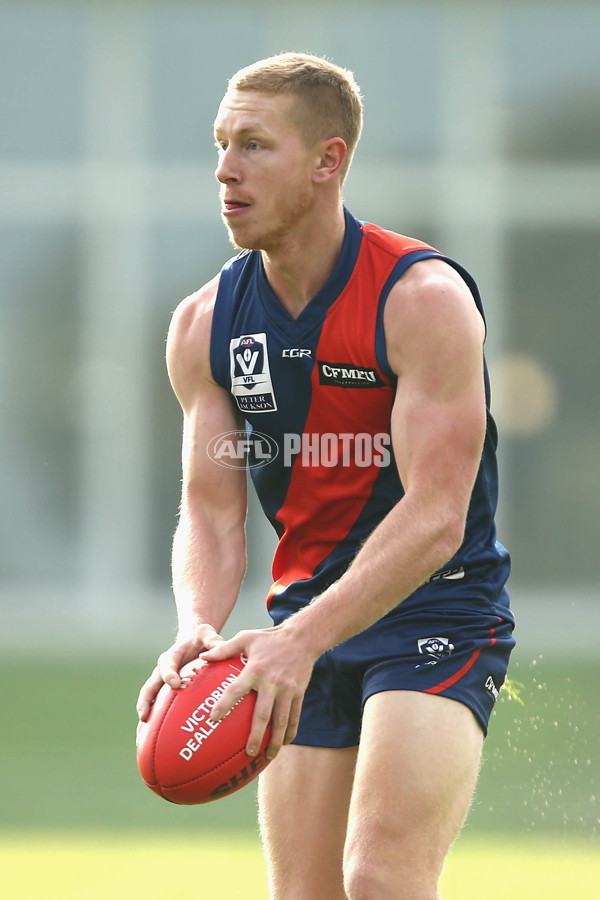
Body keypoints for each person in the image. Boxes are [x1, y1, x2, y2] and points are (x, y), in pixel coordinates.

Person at [137, 52, 515, 900]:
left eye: (254, 146)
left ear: (327, 161)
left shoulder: (418, 300)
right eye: (220, 144)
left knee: (378, 881)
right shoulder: (204, 325)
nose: (224, 170)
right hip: (299, 624)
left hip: (437, 611)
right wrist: (198, 625)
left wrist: (299, 642)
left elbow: (437, 517)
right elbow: (211, 511)